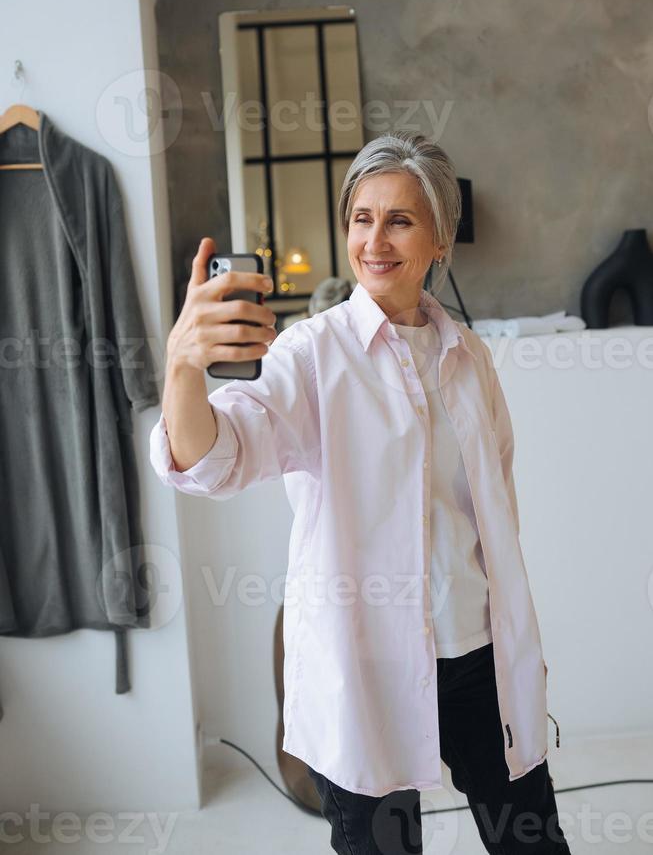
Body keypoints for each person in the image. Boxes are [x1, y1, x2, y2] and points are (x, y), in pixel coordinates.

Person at [149, 131, 572, 854]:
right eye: (360, 218)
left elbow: (494, 505)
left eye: (400, 220)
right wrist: (183, 367)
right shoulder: (310, 354)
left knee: (530, 842)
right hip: (365, 663)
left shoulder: (469, 359)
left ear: (439, 238)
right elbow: (213, 460)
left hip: (477, 655)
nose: (374, 239)